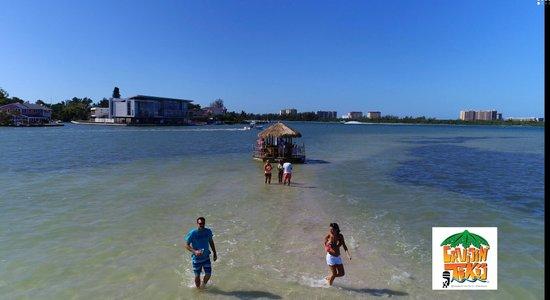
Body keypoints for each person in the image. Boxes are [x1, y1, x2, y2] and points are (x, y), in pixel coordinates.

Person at [185, 217, 218, 288]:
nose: (201, 225)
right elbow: (186, 245)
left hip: (206, 257)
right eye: (200, 223)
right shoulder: (193, 233)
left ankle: (203, 285)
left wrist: (214, 253)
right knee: (197, 276)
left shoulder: (208, 231)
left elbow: (211, 242)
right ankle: (198, 289)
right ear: (197, 224)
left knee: (208, 274)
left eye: (203, 223)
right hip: (196, 259)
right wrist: (195, 251)